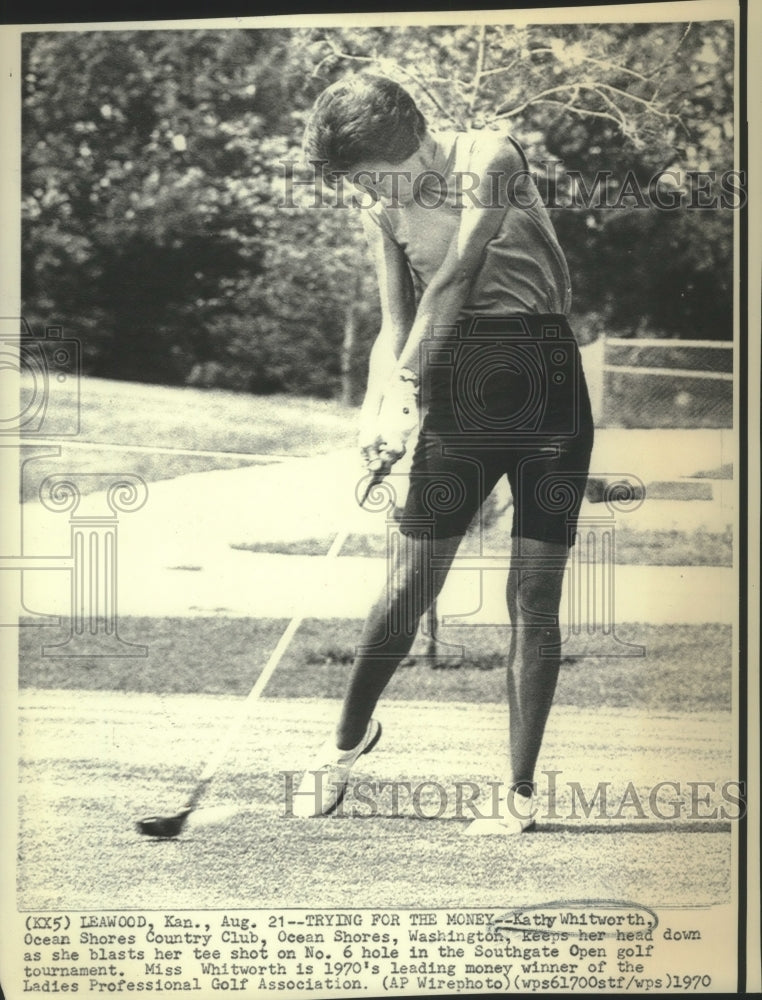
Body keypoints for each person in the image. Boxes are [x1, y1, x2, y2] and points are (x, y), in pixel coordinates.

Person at [294, 74, 594, 833]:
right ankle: (346, 744)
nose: (367, 192)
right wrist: (377, 411)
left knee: (534, 598)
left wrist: (404, 386)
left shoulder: (488, 156)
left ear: (407, 142)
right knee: (408, 588)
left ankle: (520, 794)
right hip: (458, 384)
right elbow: (395, 323)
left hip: (545, 379)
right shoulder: (381, 208)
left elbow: (457, 275)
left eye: (368, 176)